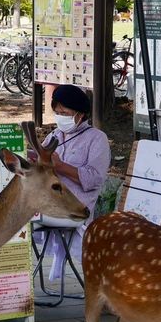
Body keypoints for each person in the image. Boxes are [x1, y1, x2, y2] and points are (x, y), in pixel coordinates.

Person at [37, 84, 111, 280]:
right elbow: (40, 160)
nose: (60, 116)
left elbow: (95, 178)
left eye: (65, 112)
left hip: (76, 206)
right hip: (49, 203)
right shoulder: (55, 135)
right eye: (57, 112)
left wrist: (61, 167)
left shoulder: (96, 139)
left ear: (80, 114)